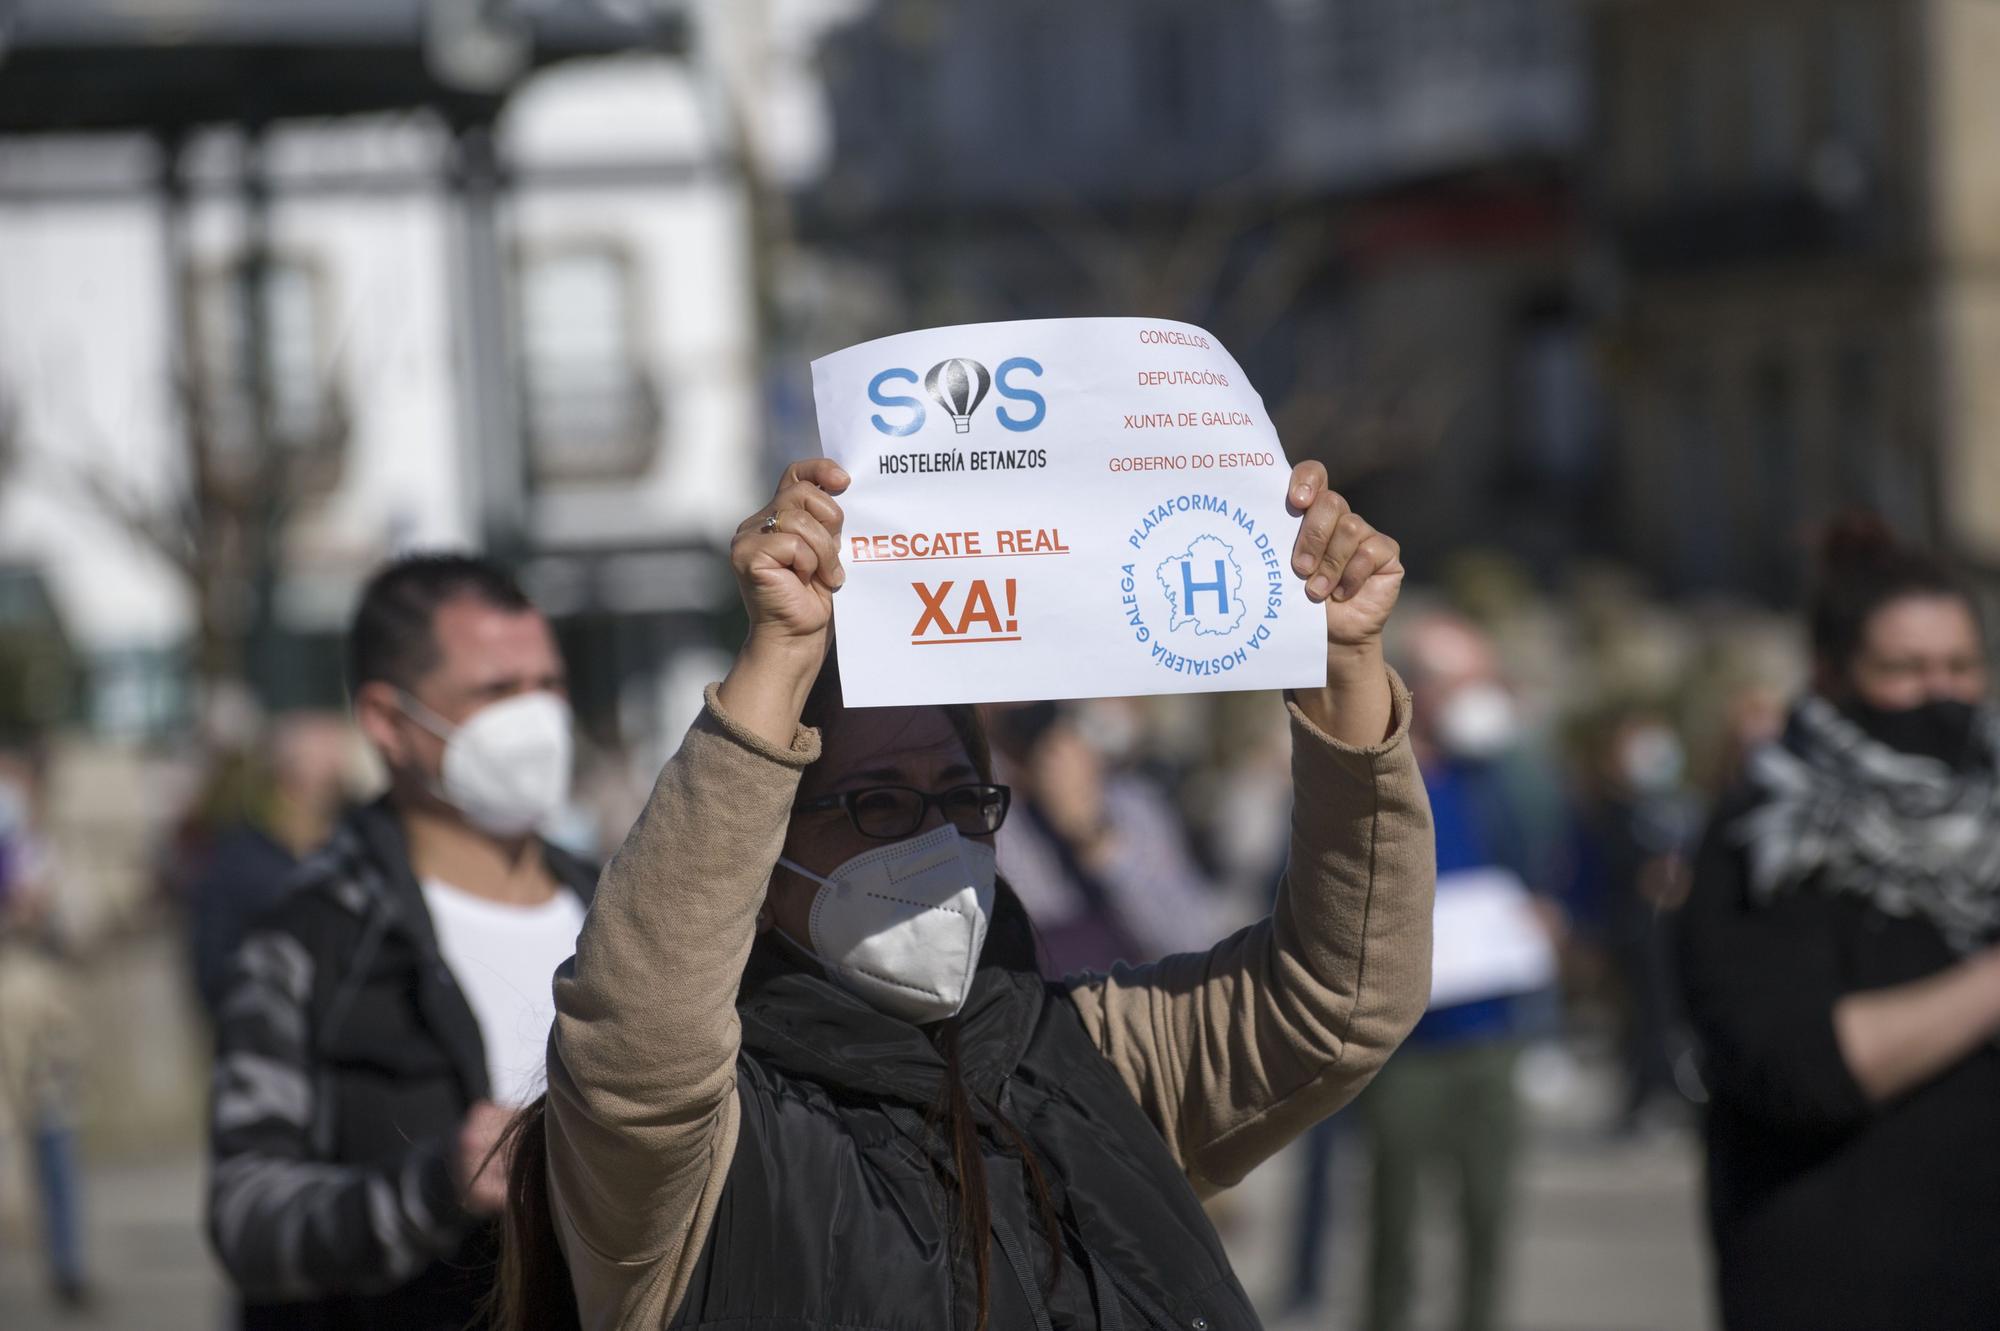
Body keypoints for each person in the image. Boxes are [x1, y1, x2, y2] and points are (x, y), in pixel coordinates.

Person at [490, 458, 1435, 1330]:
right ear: (765, 857)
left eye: (958, 797)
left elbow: (1338, 1001)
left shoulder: (1081, 1054)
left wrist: (1343, 666)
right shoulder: (699, 1153)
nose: (934, 837)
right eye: (880, 803)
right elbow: (637, 1038)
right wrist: (780, 654)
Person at [206, 554, 598, 1330]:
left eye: (549, 683)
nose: (539, 716)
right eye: (496, 691)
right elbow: (247, 1218)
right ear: (388, 721)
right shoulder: (311, 936)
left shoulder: (621, 904)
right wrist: (437, 1185)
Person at [1680, 516, 2000, 1330]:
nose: (1943, 692)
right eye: (1906, 668)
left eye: (1962, 665)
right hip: (1835, 1283)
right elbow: (1801, 1068)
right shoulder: (1769, 838)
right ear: (1829, 678)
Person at [1354, 611, 1561, 1331]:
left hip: (1494, 1033)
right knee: (1394, 1225)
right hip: (1404, 1044)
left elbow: (1554, 855)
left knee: (1488, 1219)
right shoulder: (1378, 769)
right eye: (1458, 680)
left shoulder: (1505, 775)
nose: (1474, 695)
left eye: (1483, 678)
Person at [0, 742, 91, 1310]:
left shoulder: (43, 845)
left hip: (44, 1002)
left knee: (55, 1132)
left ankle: (66, 1263)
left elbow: (74, 922)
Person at [188, 710, 354, 1019]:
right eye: (325, 764)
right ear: (287, 774)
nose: (338, 772)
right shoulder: (240, 860)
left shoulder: (353, 848)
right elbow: (212, 967)